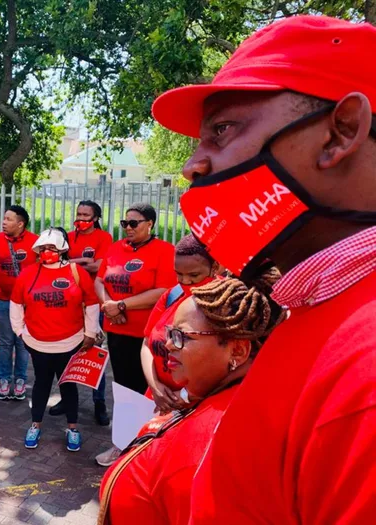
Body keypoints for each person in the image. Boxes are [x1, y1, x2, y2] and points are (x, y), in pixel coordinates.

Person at [151, 15, 376, 523]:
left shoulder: (366, 374)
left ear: (341, 132)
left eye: (222, 129)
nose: (192, 165)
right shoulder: (321, 306)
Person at [98, 269, 286, 525]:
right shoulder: (237, 401)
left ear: (238, 351)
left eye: (181, 336)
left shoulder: (216, 447)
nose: (168, 344)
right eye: (170, 332)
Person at [94, 203, 176, 467]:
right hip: (117, 331)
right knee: (124, 389)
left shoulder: (164, 251)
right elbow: (99, 281)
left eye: (134, 223)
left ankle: (146, 446)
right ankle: (122, 443)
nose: (127, 228)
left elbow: (163, 290)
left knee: (147, 390)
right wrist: (109, 306)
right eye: (124, 223)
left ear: (150, 224)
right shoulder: (115, 248)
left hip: (146, 335)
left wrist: (122, 305)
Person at [10, 228, 100, 452]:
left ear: (62, 249)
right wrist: (20, 331)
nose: (46, 252)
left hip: (70, 341)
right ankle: (35, 425)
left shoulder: (76, 272)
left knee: (68, 385)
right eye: (43, 248)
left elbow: (91, 303)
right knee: (41, 383)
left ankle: (73, 428)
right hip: (37, 342)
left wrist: (90, 333)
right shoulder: (28, 273)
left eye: (51, 248)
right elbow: (16, 303)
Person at [50, 200, 113, 425]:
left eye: (86, 215)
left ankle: (99, 402)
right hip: (69, 304)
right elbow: (56, 262)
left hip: (93, 303)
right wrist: (84, 260)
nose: (81, 218)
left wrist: (71, 262)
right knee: (66, 353)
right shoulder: (68, 236)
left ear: (95, 218)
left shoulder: (104, 238)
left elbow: (98, 266)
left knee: (94, 353)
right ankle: (67, 399)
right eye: (79, 214)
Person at [141, 235, 218, 414]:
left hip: (200, 407)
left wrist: (184, 396)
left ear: (214, 267)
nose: (185, 281)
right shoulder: (172, 296)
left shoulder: (225, 304)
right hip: (158, 400)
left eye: (194, 275)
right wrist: (155, 387)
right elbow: (146, 343)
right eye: (179, 274)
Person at [0, 205, 38, 401]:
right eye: (4, 218)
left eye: (9, 219)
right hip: (1, 300)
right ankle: (4, 380)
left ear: (20, 224)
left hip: (26, 303)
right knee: (6, 342)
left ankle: (21, 379)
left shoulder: (35, 241)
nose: (4, 222)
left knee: (22, 342)